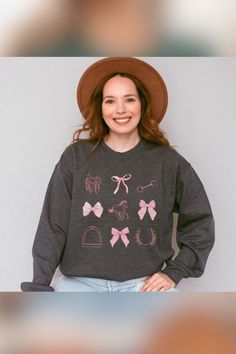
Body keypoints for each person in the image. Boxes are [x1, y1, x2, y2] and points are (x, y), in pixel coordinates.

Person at [21, 57, 215, 292]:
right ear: (100, 108)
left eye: (129, 100)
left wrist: (174, 272)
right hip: (79, 284)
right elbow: (53, 225)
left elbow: (200, 222)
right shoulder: (75, 158)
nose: (120, 109)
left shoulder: (167, 162)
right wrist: (39, 286)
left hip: (143, 286)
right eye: (110, 101)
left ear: (141, 105)